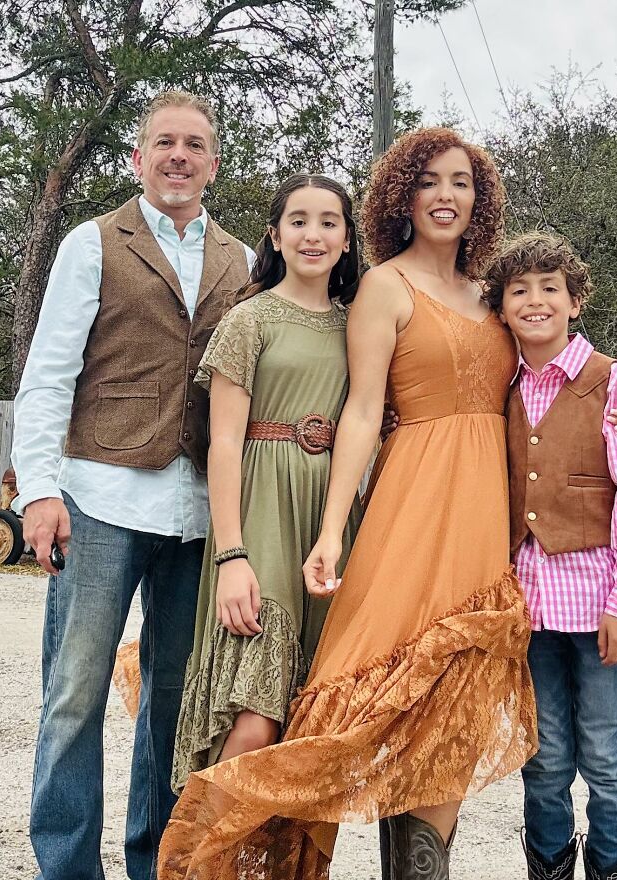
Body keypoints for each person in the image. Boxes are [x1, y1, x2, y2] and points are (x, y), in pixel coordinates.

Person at [157, 127, 537, 880]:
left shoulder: (493, 294)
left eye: (460, 181)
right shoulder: (382, 287)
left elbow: (553, 368)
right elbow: (361, 412)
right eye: (429, 181)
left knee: (449, 710)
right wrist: (332, 529)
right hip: (410, 505)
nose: (445, 195)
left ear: (480, 198)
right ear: (403, 195)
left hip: (483, 516)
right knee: (347, 705)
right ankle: (199, 860)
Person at [10, 90, 255, 880]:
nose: (178, 156)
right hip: (99, 500)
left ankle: (158, 863)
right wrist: (39, 491)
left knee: (177, 707)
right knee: (75, 697)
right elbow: (48, 375)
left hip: (197, 517)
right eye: (163, 143)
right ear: (138, 158)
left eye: (194, 145)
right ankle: (67, 867)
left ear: (213, 164)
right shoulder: (92, 242)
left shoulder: (242, 260)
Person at [170, 173, 363, 791]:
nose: (313, 234)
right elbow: (223, 442)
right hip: (258, 514)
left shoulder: (359, 326)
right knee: (253, 718)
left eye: (328, 221)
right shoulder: (247, 321)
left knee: (308, 722)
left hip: (328, 517)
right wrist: (231, 554)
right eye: (298, 220)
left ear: (347, 239)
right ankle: (198, 858)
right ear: (275, 236)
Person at [487, 232, 617, 880]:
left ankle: (613, 868)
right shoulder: (502, 386)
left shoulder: (605, 380)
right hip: (529, 613)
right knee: (546, 758)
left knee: (607, 758)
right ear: (501, 309)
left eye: (549, 288)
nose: (534, 300)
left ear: (575, 302)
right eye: (518, 290)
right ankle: (550, 870)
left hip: (599, 612)